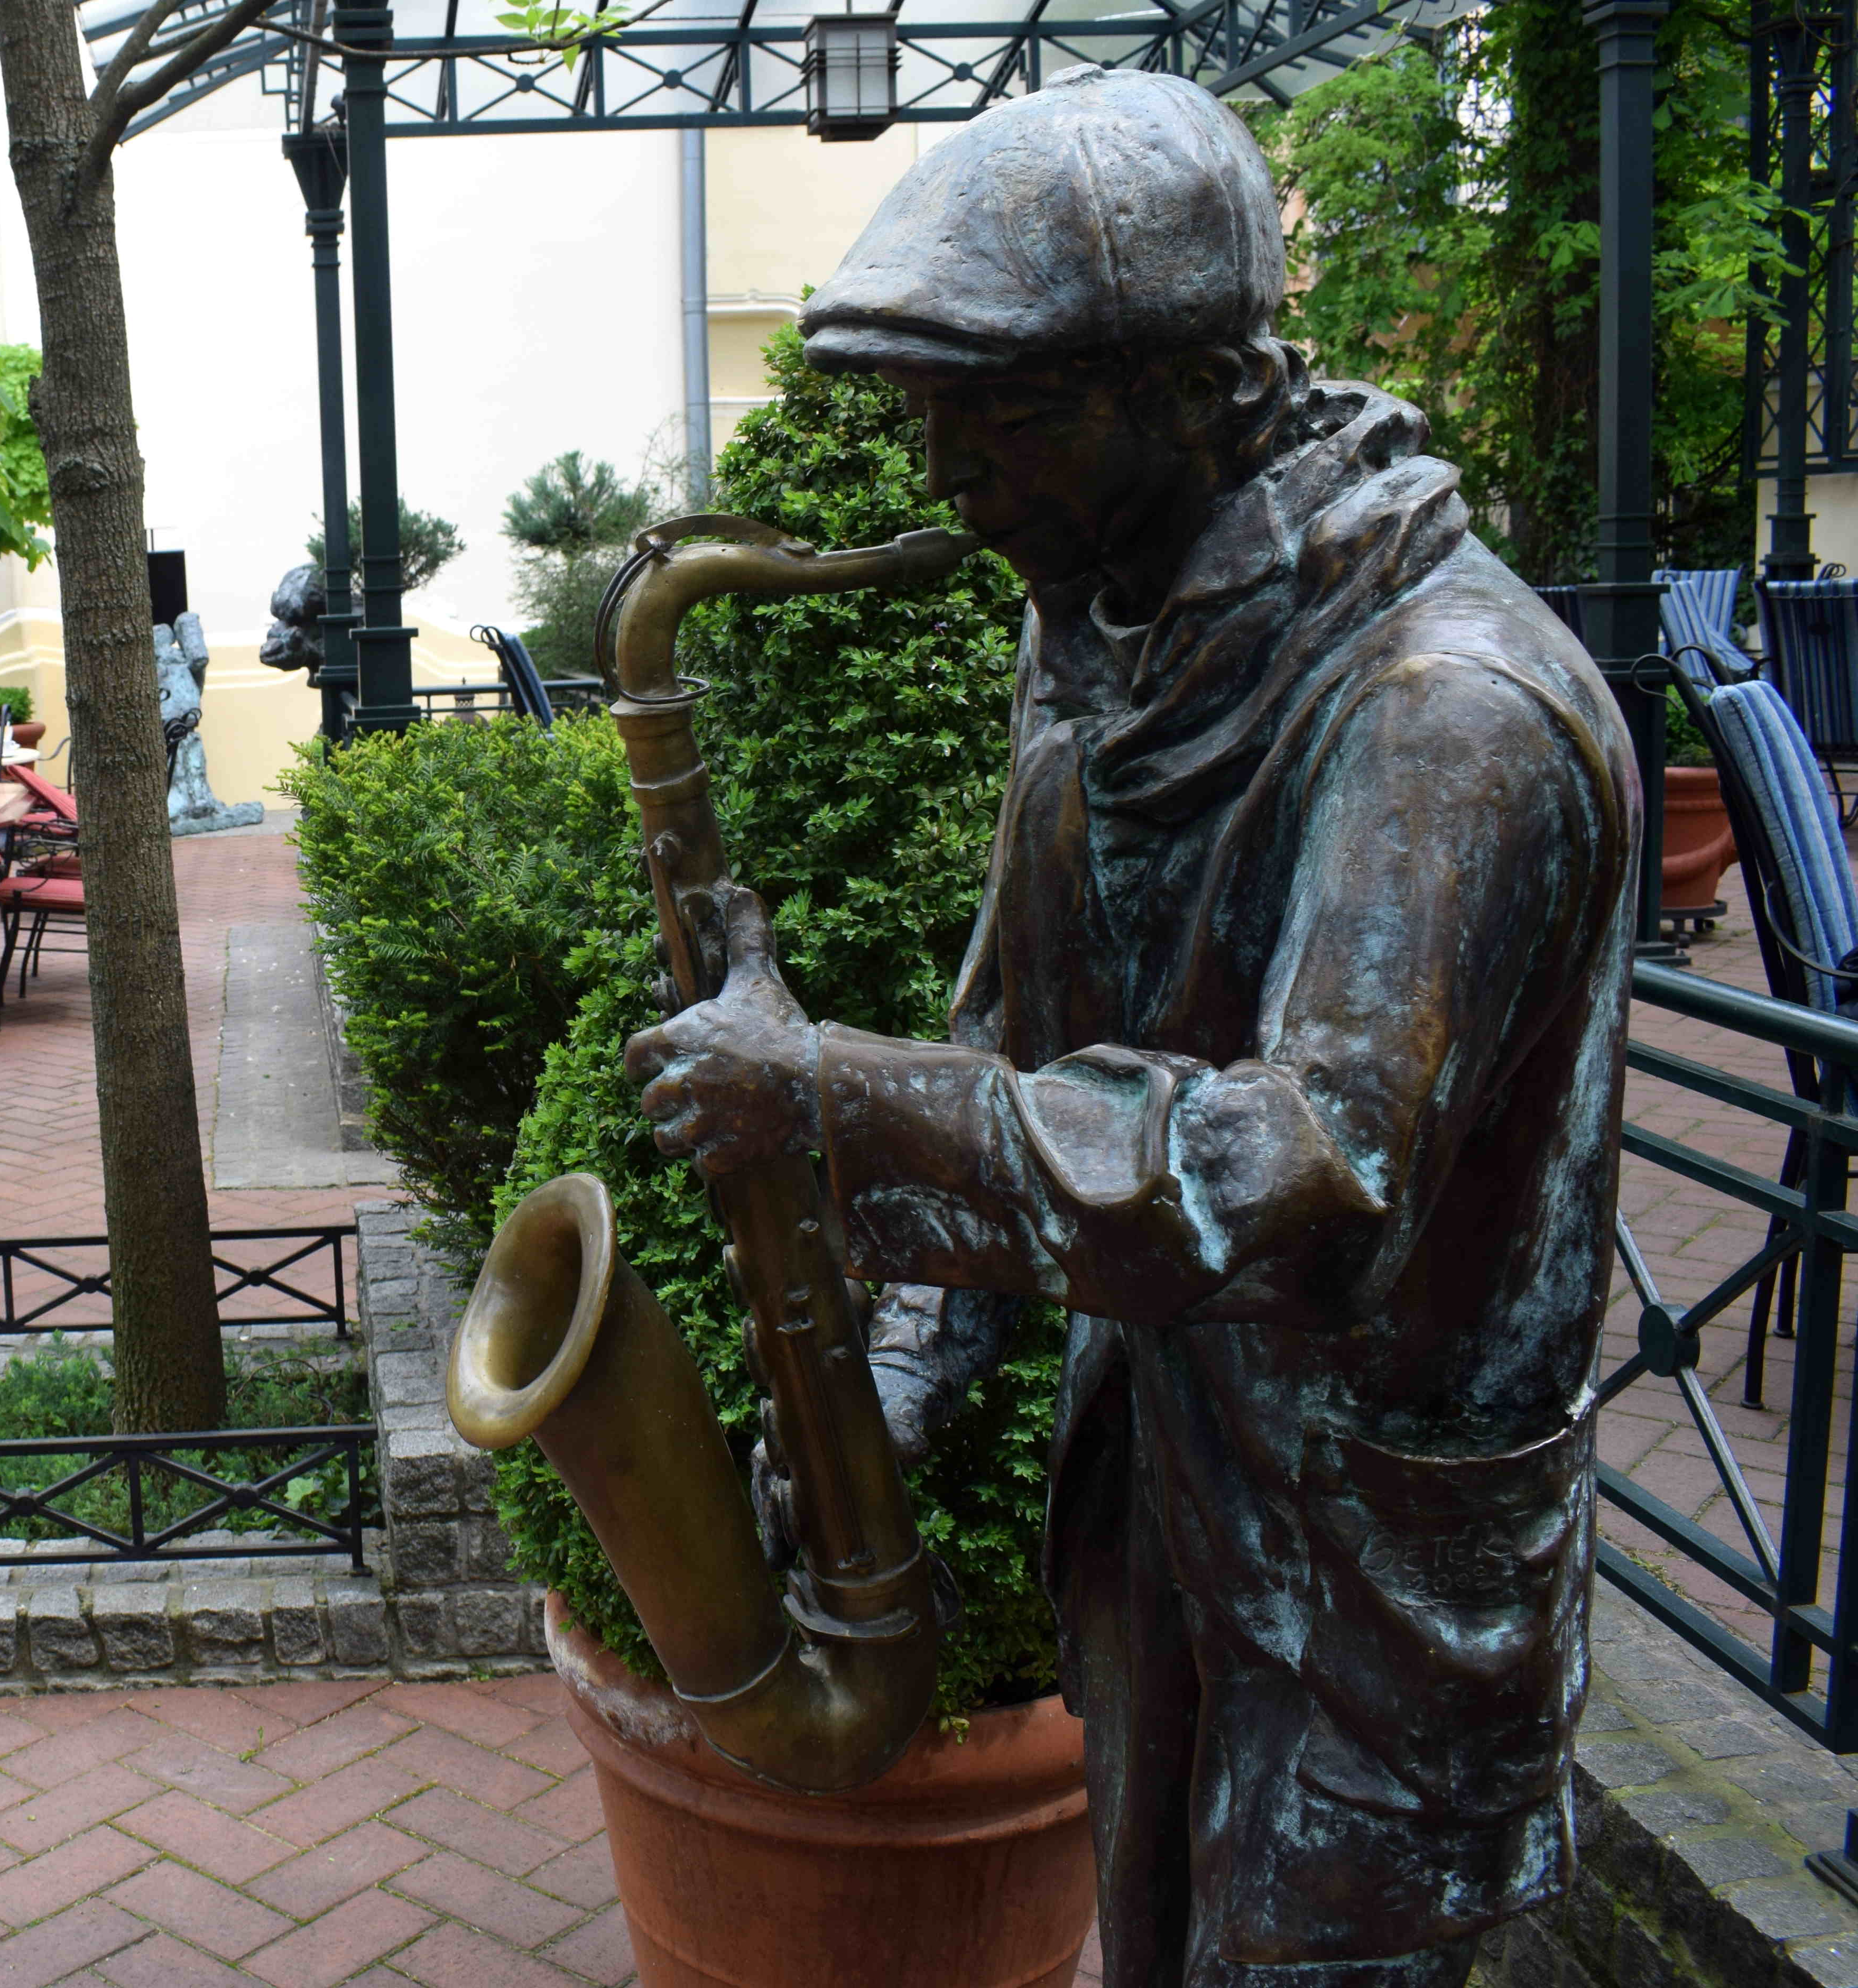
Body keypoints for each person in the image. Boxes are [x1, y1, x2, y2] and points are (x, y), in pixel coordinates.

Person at [622, 67, 1635, 1988]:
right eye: (929, 421)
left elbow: (1305, 1167)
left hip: (1371, 1608)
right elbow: (1012, 1032)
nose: (942, 481)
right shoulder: (1098, 624)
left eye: (987, 422)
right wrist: (892, 1385)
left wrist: (833, 1097)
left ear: (1188, 395)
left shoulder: (1452, 711)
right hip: (1163, 1518)